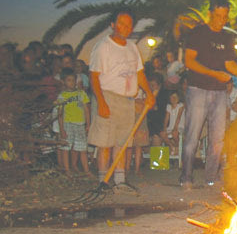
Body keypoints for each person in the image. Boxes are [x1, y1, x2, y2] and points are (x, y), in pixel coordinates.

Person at [180, 0, 237, 188]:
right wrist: (214, 73)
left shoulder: (226, 38)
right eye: (218, 16)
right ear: (210, 13)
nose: (221, 20)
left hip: (219, 92)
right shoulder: (198, 33)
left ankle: (211, 176)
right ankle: (186, 177)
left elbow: (230, 65)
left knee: (217, 138)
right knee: (193, 135)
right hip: (198, 89)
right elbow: (189, 62)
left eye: (225, 17)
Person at [87, 10, 154, 185]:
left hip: (127, 100)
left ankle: (120, 180)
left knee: (123, 143)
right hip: (107, 96)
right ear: (113, 25)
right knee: (105, 143)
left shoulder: (132, 47)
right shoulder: (103, 46)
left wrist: (149, 93)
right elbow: (93, 76)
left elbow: (139, 73)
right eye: (121, 24)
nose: (125, 28)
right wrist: (101, 102)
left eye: (129, 25)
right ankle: (103, 181)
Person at [56, 68, 91, 176]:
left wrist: (88, 124)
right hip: (68, 124)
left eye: (73, 80)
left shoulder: (81, 93)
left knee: (82, 148)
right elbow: (60, 114)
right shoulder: (62, 96)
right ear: (63, 81)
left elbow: (86, 110)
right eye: (69, 80)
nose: (72, 82)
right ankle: (67, 170)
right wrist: (61, 129)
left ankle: (86, 170)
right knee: (66, 147)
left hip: (80, 124)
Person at [163, 90, 185, 158]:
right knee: (162, 134)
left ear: (178, 98)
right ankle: (172, 147)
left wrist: (175, 128)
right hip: (171, 127)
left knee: (175, 133)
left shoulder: (181, 105)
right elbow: (166, 119)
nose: (174, 99)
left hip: (180, 127)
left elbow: (178, 117)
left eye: (175, 97)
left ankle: (179, 148)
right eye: (172, 97)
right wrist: (164, 129)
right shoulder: (168, 106)